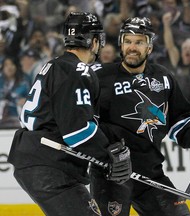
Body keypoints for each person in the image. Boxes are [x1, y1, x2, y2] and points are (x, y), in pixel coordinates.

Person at [90, 17, 190, 216]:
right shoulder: (99, 77)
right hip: (111, 174)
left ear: (150, 47)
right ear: (121, 43)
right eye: (128, 41)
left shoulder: (163, 77)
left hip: (149, 175)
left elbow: (179, 121)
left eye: (139, 42)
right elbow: (82, 120)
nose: (132, 47)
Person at [7, 12, 132, 216]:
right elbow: (78, 131)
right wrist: (109, 153)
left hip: (38, 160)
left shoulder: (55, 65)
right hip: (49, 165)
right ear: (93, 41)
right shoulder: (79, 71)